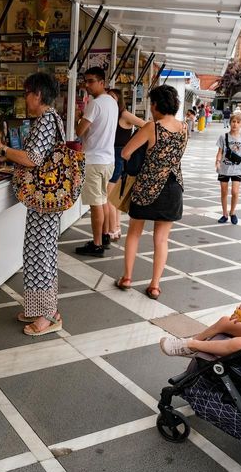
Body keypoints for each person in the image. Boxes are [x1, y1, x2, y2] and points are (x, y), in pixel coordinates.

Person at [0, 73, 66, 336]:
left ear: (37, 95)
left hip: (43, 201)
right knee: (39, 253)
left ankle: (48, 315)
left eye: (27, 93)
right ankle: (39, 308)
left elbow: (34, 158)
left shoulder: (44, 121)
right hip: (46, 199)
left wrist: (3, 150)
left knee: (39, 255)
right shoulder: (52, 118)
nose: (25, 98)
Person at [114, 86, 186, 300]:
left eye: (151, 104)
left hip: (146, 188)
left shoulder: (151, 128)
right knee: (162, 239)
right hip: (172, 188)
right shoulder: (184, 128)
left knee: (134, 232)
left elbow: (126, 153)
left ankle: (127, 278)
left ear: (156, 104)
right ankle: (154, 285)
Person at [74, 67, 118, 257]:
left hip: (93, 160)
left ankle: (97, 244)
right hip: (108, 160)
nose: (87, 85)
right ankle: (104, 236)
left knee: (96, 204)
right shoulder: (112, 102)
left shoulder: (95, 104)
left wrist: (78, 116)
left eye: (91, 81)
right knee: (103, 199)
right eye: (86, 81)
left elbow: (79, 131)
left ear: (102, 82)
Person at [103, 89, 147, 244]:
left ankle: (111, 230)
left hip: (118, 156)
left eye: (112, 97)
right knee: (112, 197)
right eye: (107, 97)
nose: (109, 100)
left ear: (119, 99)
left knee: (108, 197)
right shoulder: (110, 114)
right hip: (110, 156)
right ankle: (115, 228)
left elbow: (146, 126)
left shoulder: (124, 114)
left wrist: (135, 145)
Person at [216, 111, 241, 224]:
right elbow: (220, 152)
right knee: (224, 192)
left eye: (238, 122)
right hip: (224, 168)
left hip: (237, 169)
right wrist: (217, 161)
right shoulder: (223, 136)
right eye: (233, 121)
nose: (235, 124)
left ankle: (232, 212)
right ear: (230, 122)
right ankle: (225, 214)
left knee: (235, 192)